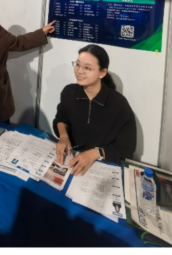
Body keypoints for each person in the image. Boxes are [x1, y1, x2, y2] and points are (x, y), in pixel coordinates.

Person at [53, 44, 136, 175]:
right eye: (77, 64)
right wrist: (63, 136)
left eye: (87, 68)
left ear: (102, 73)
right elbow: (61, 118)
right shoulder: (69, 92)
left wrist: (95, 153)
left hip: (100, 166)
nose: (79, 71)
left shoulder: (119, 104)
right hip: (71, 158)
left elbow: (125, 149)